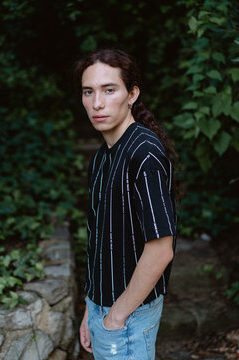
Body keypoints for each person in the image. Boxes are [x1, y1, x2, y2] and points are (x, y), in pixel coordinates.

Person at [74, 49, 177, 360]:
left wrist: (115, 317)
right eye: (88, 92)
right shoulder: (102, 157)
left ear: (132, 94)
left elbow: (161, 250)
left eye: (109, 90)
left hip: (127, 320)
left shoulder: (144, 154)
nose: (97, 103)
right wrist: (91, 310)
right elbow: (100, 242)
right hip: (103, 311)